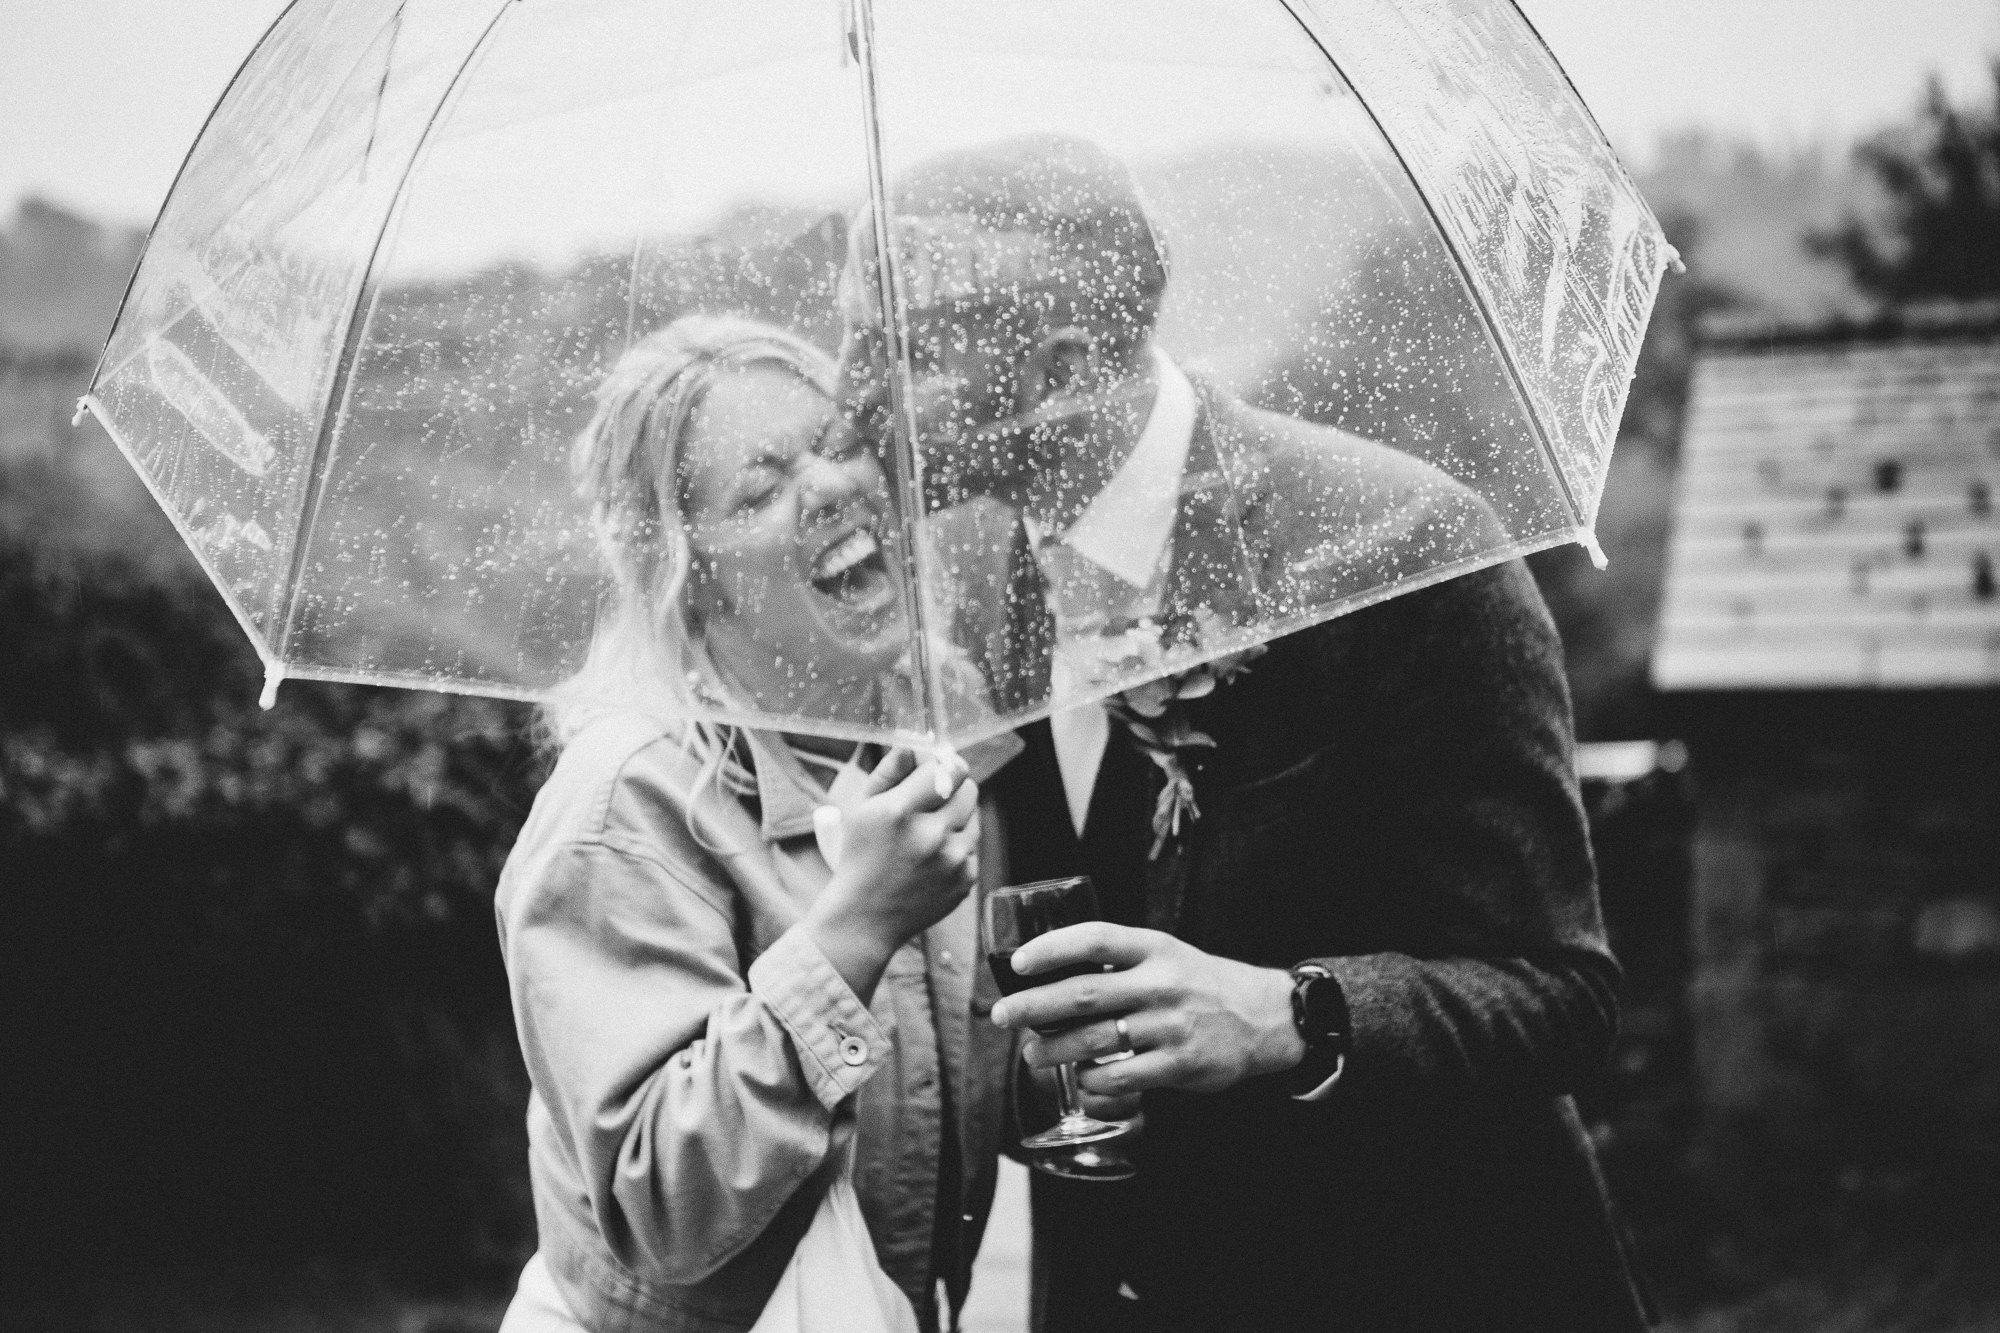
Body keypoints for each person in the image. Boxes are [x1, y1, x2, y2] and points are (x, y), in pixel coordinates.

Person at [836, 138, 1651, 1332]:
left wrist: (1291, 1014)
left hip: (1418, 1283)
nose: (851, 397)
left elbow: (1560, 997)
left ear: (1062, 368)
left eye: (892, 353)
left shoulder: (1399, 553)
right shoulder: (971, 590)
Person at [493, 315, 1018, 1333]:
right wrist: (854, 931)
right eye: (761, 485)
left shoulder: (938, 730)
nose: (827, 486)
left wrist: (1049, 1082)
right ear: (688, 573)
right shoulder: (624, 803)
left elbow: (933, 1099)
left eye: (838, 442)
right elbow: (660, 1208)